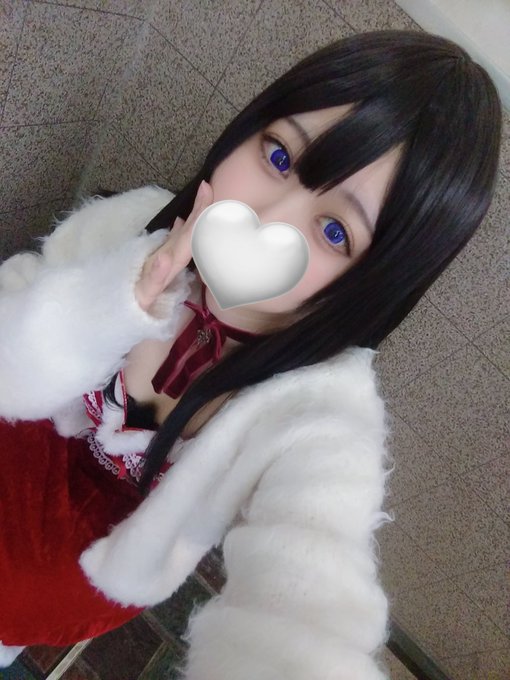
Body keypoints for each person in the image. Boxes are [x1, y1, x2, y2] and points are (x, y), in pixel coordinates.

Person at [0, 29, 501, 679]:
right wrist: (109, 301)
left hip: (63, 587)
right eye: (279, 156)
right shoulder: (133, 223)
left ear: (374, 280)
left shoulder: (320, 420)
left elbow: (306, 603)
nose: (269, 218)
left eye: (334, 230)